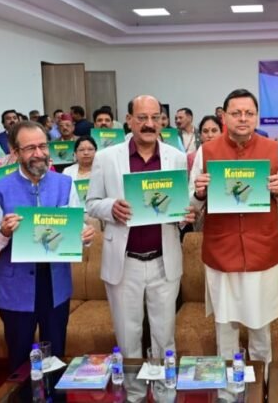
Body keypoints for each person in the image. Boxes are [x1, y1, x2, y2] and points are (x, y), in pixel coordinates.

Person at [190, 89, 278, 368]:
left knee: (261, 327)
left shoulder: (274, 149)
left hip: (262, 250)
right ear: (224, 117)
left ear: (256, 116)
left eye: (249, 113)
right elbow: (191, 203)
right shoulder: (206, 151)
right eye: (236, 113)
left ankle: (262, 383)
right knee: (225, 327)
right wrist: (199, 193)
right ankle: (228, 386)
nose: (243, 118)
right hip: (221, 251)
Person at [0, 121, 94, 372]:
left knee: (56, 355)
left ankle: (55, 392)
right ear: (15, 152)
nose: (39, 153)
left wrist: (85, 235)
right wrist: (3, 232)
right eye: (30, 148)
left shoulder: (65, 184)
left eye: (43, 146)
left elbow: (77, 229)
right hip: (15, 287)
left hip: (56, 284)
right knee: (20, 358)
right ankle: (22, 393)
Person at [86, 95, 193, 361]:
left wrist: (185, 214)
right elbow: (91, 203)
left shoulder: (176, 158)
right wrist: (111, 207)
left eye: (155, 118)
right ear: (129, 120)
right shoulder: (106, 158)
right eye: (142, 117)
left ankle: (164, 384)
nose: (149, 124)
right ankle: (132, 386)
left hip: (164, 261)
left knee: (164, 337)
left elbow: (181, 206)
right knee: (127, 337)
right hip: (124, 263)